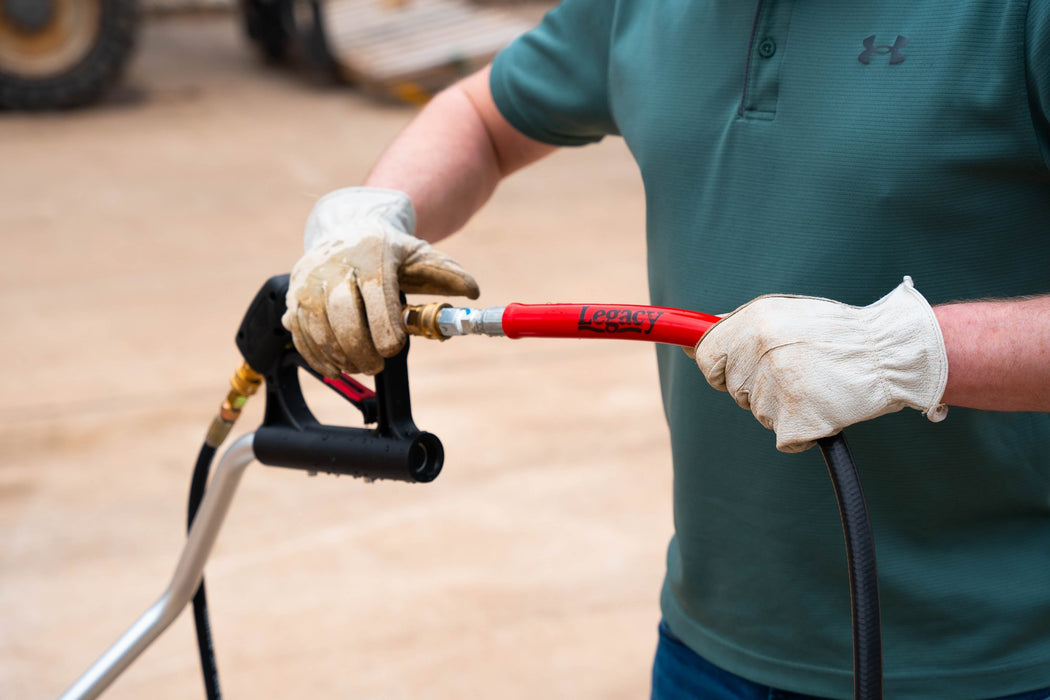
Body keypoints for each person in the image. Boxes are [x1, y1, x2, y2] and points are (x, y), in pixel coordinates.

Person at [282, 2, 1050, 698]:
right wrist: (372, 217)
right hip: (708, 650)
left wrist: (907, 352)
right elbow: (484, 116)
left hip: (998, 664)